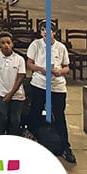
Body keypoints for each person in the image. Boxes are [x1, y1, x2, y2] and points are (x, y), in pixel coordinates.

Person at [27, 20, 76, 164]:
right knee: (34, 113)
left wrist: (60, 71)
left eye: (48, 30)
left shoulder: (60, 47)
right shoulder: (36, 45)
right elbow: (29, 63)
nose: (45, 33)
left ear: (54, 32)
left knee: (59, 116)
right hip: (39, 84)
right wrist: (41, 69)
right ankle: (33, 141)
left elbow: (67, 66)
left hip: (57, 86)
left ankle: (65, 147)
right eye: (43, 30)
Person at [0, 31, 27, 136]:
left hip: (17, 96)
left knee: (15, 120)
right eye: (3, 43)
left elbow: (20, 77)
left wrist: (11, 94)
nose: (6, 45)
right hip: (1, 93)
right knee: (2, 118)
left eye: (8, 42)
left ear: (12, 44)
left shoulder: (19, 59)